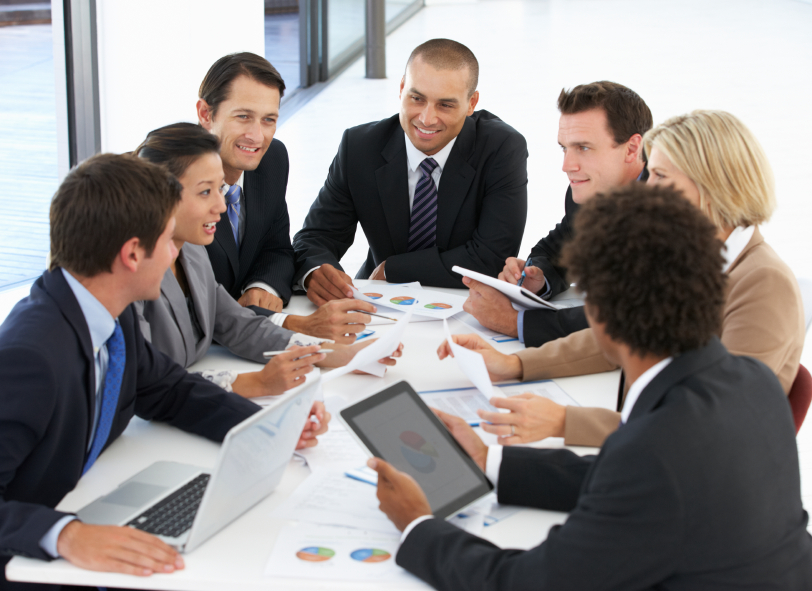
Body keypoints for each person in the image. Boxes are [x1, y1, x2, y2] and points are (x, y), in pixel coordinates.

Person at [370, 185, 812, 590]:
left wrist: (417, 525)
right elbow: (625, 481)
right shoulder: (751, 383)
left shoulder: (656, 450)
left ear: (597, 313)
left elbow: (526, 583)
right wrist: (491, 461)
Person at [0, 154, 329, 590]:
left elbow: (171, 390)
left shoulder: (108, 316)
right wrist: (67, 535)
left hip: (92, 501)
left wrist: (267, 428)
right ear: (133, 254)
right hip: (34, 560)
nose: (179, 253)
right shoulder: (30, 357)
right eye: (170, 240)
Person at [441, 110, 805, 448]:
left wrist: (566, 422)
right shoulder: (688, 258)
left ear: (711, 185)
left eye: (660, 177)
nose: (646, 190)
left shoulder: (764, 284)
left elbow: (710, 424)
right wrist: (517, 365)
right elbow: (619, 337)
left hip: (697, 482)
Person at [134, 123, 402, 398]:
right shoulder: (129, 273)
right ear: (160, 197)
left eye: (220, 189)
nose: (222, 206)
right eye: (205, 192)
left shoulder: (190, 251)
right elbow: (147, 380)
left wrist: (338, 354)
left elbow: (238, 324)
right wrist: (255, 383)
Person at [292, 38, 528, 305]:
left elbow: (491, 257)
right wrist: (316, 273)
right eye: (417, 98)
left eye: (446, 105)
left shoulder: (501, 148)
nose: (427, 119)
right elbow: (317, 236)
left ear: (471, 103)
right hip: (379, 299)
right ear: (402, 88)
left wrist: (392, 269)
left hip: (464, 302)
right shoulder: (359, 147)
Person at [462, 81, 652, 346]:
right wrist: (537, 277)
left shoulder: (672, 204)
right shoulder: (592, 187)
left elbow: (632, 318)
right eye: (564, 148)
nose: (567, 166)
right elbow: (558, 248)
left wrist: (514, 323)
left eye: (583, 148)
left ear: (632, 149)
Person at [197, 52, 296, 317]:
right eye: (243, 117)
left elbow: (277, 248)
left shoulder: (273, 159)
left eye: (268, 120)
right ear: (206, 114)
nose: (256, 137)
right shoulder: (176, 178)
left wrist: (262, 287)